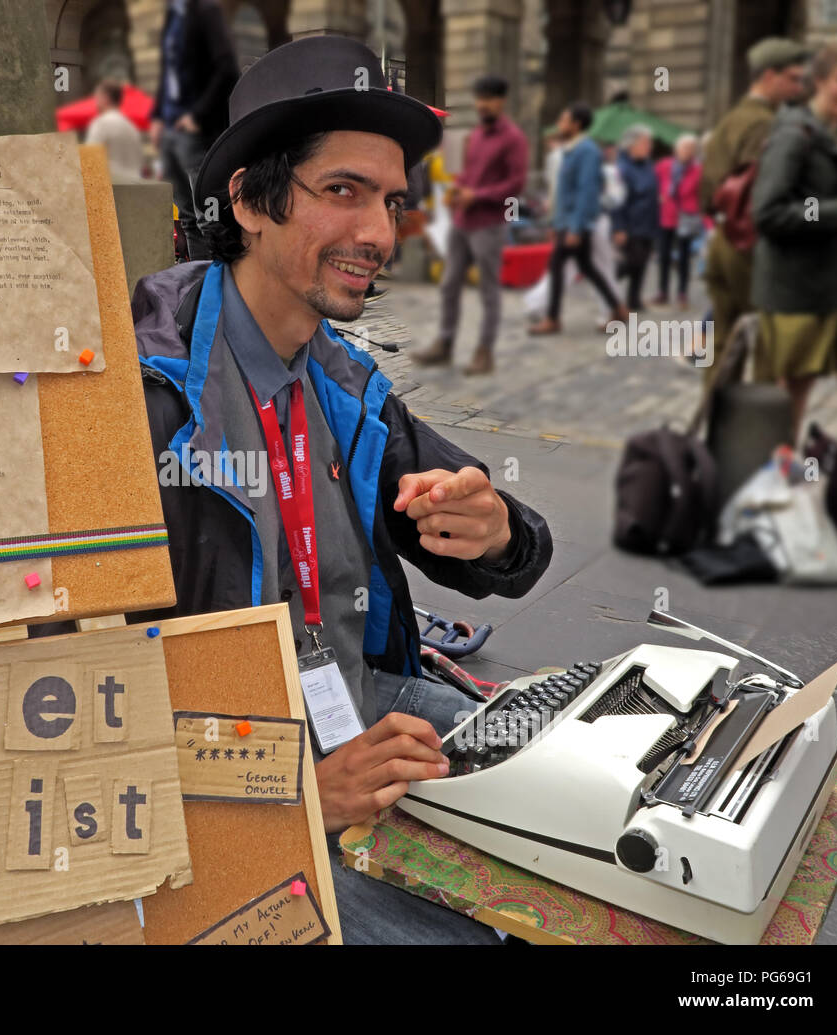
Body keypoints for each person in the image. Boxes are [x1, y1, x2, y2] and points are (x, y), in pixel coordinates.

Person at [128, 37, 553, 944]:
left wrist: (494, 529)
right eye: (343, 191)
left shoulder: (343, 381)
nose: (379, 234)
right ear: (246, 198)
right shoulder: (142, 394)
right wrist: (290, 791)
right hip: (227, 773)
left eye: (392, 201)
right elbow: (73, 698)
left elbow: (523, 551)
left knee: (578, 786)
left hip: (368, 702)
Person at [751, 41, 837, 441]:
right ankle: (767, 469)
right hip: (791, 289)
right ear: (819, 81)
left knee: (802, 386)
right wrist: (835, 210)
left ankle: (781, 464)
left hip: (827, 284)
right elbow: (768, 211)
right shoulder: (795, 134)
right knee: (782, 392)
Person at [701, 37, 810, 384]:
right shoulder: (764, 123)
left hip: (722, 238)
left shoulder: (732, 117)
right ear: (769, 76)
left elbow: (709, 188)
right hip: (749, 244)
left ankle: (716, 421)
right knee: (768, 339)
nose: (798, 87)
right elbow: (758, 195)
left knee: (722, 341)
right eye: (793, 79)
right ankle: (756, 431)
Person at [411, 75, 528, 375]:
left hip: (489, 223)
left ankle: (484, 352)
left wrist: (477, 194)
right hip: (462, 220)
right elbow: (465, 172)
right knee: (450, 283)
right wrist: (457, 189)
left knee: (488, 289)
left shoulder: (513, 139)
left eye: (488, 98)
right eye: (480, 98)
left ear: (501, 101)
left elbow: (515, 183)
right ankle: (445, 344)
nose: (482, 104)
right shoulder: (475, 135)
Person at [150, 0, 239, 260]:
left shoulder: (205, 11)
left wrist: (196, 115)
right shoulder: (171, 17)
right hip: (170, 132)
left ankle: (219, 289)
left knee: (208, 218)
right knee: (187, 219)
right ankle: (200, 288)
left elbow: (226, 69)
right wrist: (157, 117)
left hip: (196, 133)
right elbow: (167, 74)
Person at [530, 103, 629, 334]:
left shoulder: (587, 150)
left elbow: (586, 192)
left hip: (577, 223)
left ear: (576, 124)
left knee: (559, 266)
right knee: (588, 267)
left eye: (563, 120)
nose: (559, 124)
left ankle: (552, 318)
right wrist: (556, 222)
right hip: (568, 221)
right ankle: (618, 308)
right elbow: (562, 192)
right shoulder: (572, 149)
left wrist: (575, 228)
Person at [612, 125, 659, 312]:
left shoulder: (648, 165)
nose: (649, 146)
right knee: (632, 261)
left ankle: (634, 299)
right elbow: (617, 201)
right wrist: (619, 227)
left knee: (643, 262)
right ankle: (609, 282)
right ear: (631, 145)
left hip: (648, 222)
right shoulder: (622, 168)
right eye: (645, 142)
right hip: (631, 223)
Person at [653, 134, 703, 307]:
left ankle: (682, 293)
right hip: (666, 215)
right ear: (676, 149)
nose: (687, 151)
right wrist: (657, 195)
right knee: (664, 255)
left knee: (684, 257)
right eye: (684, 147)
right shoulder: (664, 166)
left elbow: (700, 193)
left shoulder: (697, 169)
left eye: (690, 148)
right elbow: (654, 183)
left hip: (686, 217)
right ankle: (662, 291)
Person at [85, 79, 144, 180]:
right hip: (135, 185)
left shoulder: (100, 124)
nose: (95, 100)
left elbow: (90, 162)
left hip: (112, 186)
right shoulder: (131, 127)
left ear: (106, 97)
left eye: (97, 96)